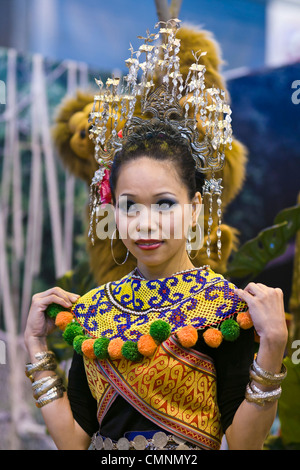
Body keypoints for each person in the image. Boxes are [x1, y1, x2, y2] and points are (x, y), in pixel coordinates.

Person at [24, 20, 288, 451]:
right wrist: (35, 347)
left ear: (196, 210)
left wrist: (273, 346)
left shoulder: (222, 308)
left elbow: (243, 445)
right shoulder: (93, 312)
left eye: (164, 203)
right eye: (130, 206)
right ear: (111, 213)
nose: (145, 223)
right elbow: (73, 443)